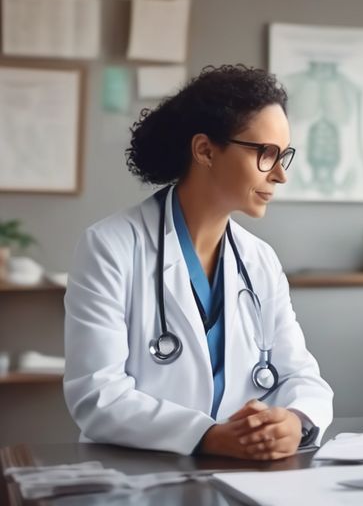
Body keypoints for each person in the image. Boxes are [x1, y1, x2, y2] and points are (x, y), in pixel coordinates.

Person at [64, 65, 333, 460]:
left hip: (243, 473)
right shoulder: (110, 247)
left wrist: (293, 420)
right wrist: (208, 436)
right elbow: (97, 395)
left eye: (283, 156)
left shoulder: (260, 260)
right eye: (265, 153)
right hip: (137, 475)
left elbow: (300, 375)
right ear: (205, 150)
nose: (279, 175)